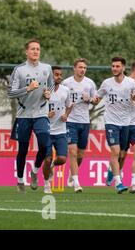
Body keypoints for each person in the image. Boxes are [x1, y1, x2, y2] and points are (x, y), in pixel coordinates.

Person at [8, 39, 54, 193]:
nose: (35, 51)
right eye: (32, 49)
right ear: (26, 51)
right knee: (23, 149)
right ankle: (20, 180)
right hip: (23, 115)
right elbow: (10, 93)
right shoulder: (19, 70)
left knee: (44, 144)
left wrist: (48, 94)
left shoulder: (46, 68)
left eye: (38, 49)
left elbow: (51, 85)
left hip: (41, 113)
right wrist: (27, 88)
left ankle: (34, 171)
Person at [96, 57, 135, 193]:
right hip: (111, 122)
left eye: (117, 66)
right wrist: (90, 99)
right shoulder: (107, 83)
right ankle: (118, 183)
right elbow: (97, 98)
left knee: (122, 154)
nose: (114, 68)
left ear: (123, 68)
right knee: (115, 151)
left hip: (126, 122)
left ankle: (111, 170)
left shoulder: (131, 83)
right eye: (113, 66)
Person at [106, 61, 135, 194]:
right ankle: (113, 170)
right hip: (124, 123)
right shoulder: (126, 83)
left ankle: (134, 184)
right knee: (121, 155)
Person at [62, 58, 98, 193]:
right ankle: (76, 182)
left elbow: (96, 100)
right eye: (80, 67)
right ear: (74, 68)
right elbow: (61, 99)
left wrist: (90, 99)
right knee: (72, 151)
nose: (82, 70)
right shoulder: (66, 83)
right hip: (70, 121)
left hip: (84, 121)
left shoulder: (90, 83)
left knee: (81, 154)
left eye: (85, 68)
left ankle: (72, 174)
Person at [46, 66, 73, 194]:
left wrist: (66, 115)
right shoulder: (42, 90)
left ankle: (50, 167)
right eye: (56, 74)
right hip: (45, 131)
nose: (59, 77)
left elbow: (69, 105)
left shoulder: (65, 90)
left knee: (62, 159)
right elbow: (33, 109)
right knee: (47, 158)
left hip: (61, 130)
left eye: (60, 75)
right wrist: (46, 114)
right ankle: (47, 184)